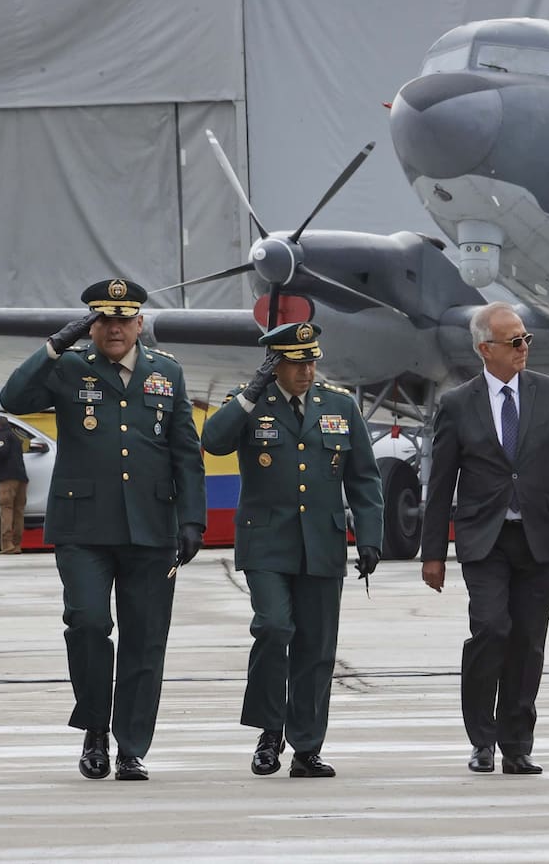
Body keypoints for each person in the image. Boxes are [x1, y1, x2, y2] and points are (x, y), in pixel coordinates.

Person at [0, 279, 206, 782]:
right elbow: (12, 397)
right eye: (103, 320)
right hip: (83, 528)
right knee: (88, 624)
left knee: (145, 639)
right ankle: (95, 727)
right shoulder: (69, 368)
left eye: (123, 320)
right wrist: (54, 345)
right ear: (91, 325)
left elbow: (186, 454)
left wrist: (192, 519)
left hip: (152, 529)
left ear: (139, 324)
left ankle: (131, 746)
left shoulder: (167, 373)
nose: (114, 329)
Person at [421, 302, 549, 775]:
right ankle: (481, 738)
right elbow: (440, 484)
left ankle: (517, 742)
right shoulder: (458, 404)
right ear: (485, 349)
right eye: (513, 341)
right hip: (485, 540)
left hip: (539, 537)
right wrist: (432, 553)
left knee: (527, 641)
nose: (523, 348)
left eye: (526, 339)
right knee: (492, 630)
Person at [202, 321, 383, 778]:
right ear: (275, 364)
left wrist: (371, 537)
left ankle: (306, 747)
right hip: (266, 541)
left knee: (317, 647)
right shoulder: (250, 402)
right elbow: (214, 442)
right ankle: (268, 731)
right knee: (273, 627)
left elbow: (363, 478)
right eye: (296, 363)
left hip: (321, 542)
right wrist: (250, 393)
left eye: (311, 361)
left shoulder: (338, 404)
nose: (307, 371)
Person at [0, 415, 29, 554]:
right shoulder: (15, 437)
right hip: (21, 477)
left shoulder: (2, 436)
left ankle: (6, 543)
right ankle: (17, 544)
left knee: (6, 508)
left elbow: (1, 452)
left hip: (7, 478)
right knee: (19, 510)